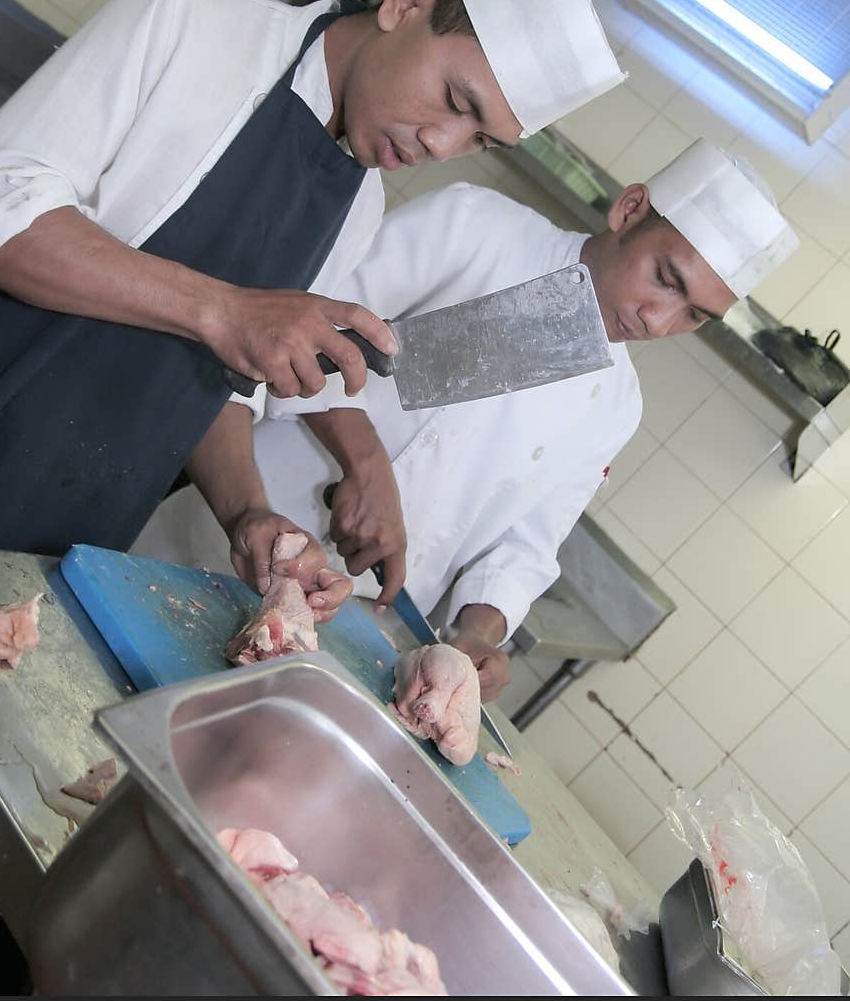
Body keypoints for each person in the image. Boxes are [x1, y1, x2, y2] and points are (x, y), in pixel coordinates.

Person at [0, 0, 623, 624]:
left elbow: (224, 387)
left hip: (69, 537)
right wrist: (223, 310)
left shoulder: (360, 205)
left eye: (479, 139)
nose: (442, 143)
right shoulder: (192, 21)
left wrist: (248, 513)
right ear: (407, 0)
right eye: (453, 100)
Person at [138, 139, 796, 700]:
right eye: (665, 278)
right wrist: (364, 460)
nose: (659, 319)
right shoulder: (480, 227)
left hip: (349, 628)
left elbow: (527, 543)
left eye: (694, 317)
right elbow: (310, 327)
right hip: (235, 532)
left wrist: (479, 634)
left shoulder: (621, 405)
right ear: (629, 210)